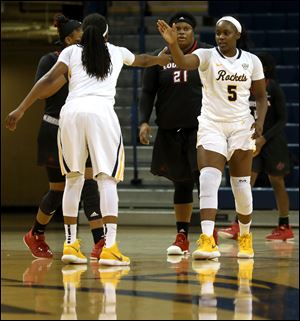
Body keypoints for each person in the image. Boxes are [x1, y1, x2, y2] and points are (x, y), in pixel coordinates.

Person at [6, 13, 169, 265]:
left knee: (73, 180)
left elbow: (47, 80)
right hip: (100, 114)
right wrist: (163, 58)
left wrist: (20, 109)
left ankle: (71, 246)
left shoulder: (70, 53)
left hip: (70, 114)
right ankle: (110, 247)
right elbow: (143, 60)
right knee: (106, 180)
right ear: (106, 33)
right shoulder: (115, 51)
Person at [157, 15, 268, 259]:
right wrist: (173, 44)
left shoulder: (252, 61)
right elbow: (184, 63)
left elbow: (261, 97)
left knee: (241, 186)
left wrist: (259, 123)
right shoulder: (208, 56)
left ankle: (246, 236)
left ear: (237, 35)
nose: (220, 37)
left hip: (241, 126)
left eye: (226, 33)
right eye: (218, 33)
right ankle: (207, 239)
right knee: (208, 179)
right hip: (211, 124)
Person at [6, 14, 105, 260]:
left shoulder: (90, 59)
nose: (86, 37)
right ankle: (35, 233)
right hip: (55, 129)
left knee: (90, 185)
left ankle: (99, 241)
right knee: (58, 190)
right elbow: (45, 90)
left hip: (82, 130)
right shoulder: (51, 59)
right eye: (81, 34)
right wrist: (20, 109)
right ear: (69, 39)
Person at [139, 12, 217, 256]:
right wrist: (143, 121)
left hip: (201, 129)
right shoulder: (159, 58)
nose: (181, 32)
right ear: (170, 31)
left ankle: (208, 233)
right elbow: (147, 92)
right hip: (170, 129)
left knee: (203, 181)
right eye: (178, 28)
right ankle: (182, 235)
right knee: (181, 184)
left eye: (186, 28)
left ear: (194, 32)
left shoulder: (205, 55)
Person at [218, 52, 294, 242]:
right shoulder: (243, 86)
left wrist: (264, 138)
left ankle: (284, 225)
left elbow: (283, 119)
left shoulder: (273, 88)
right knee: (245, 182)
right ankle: (239, 225)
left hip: (272, 140)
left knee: (277, 182)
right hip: (250, 137)